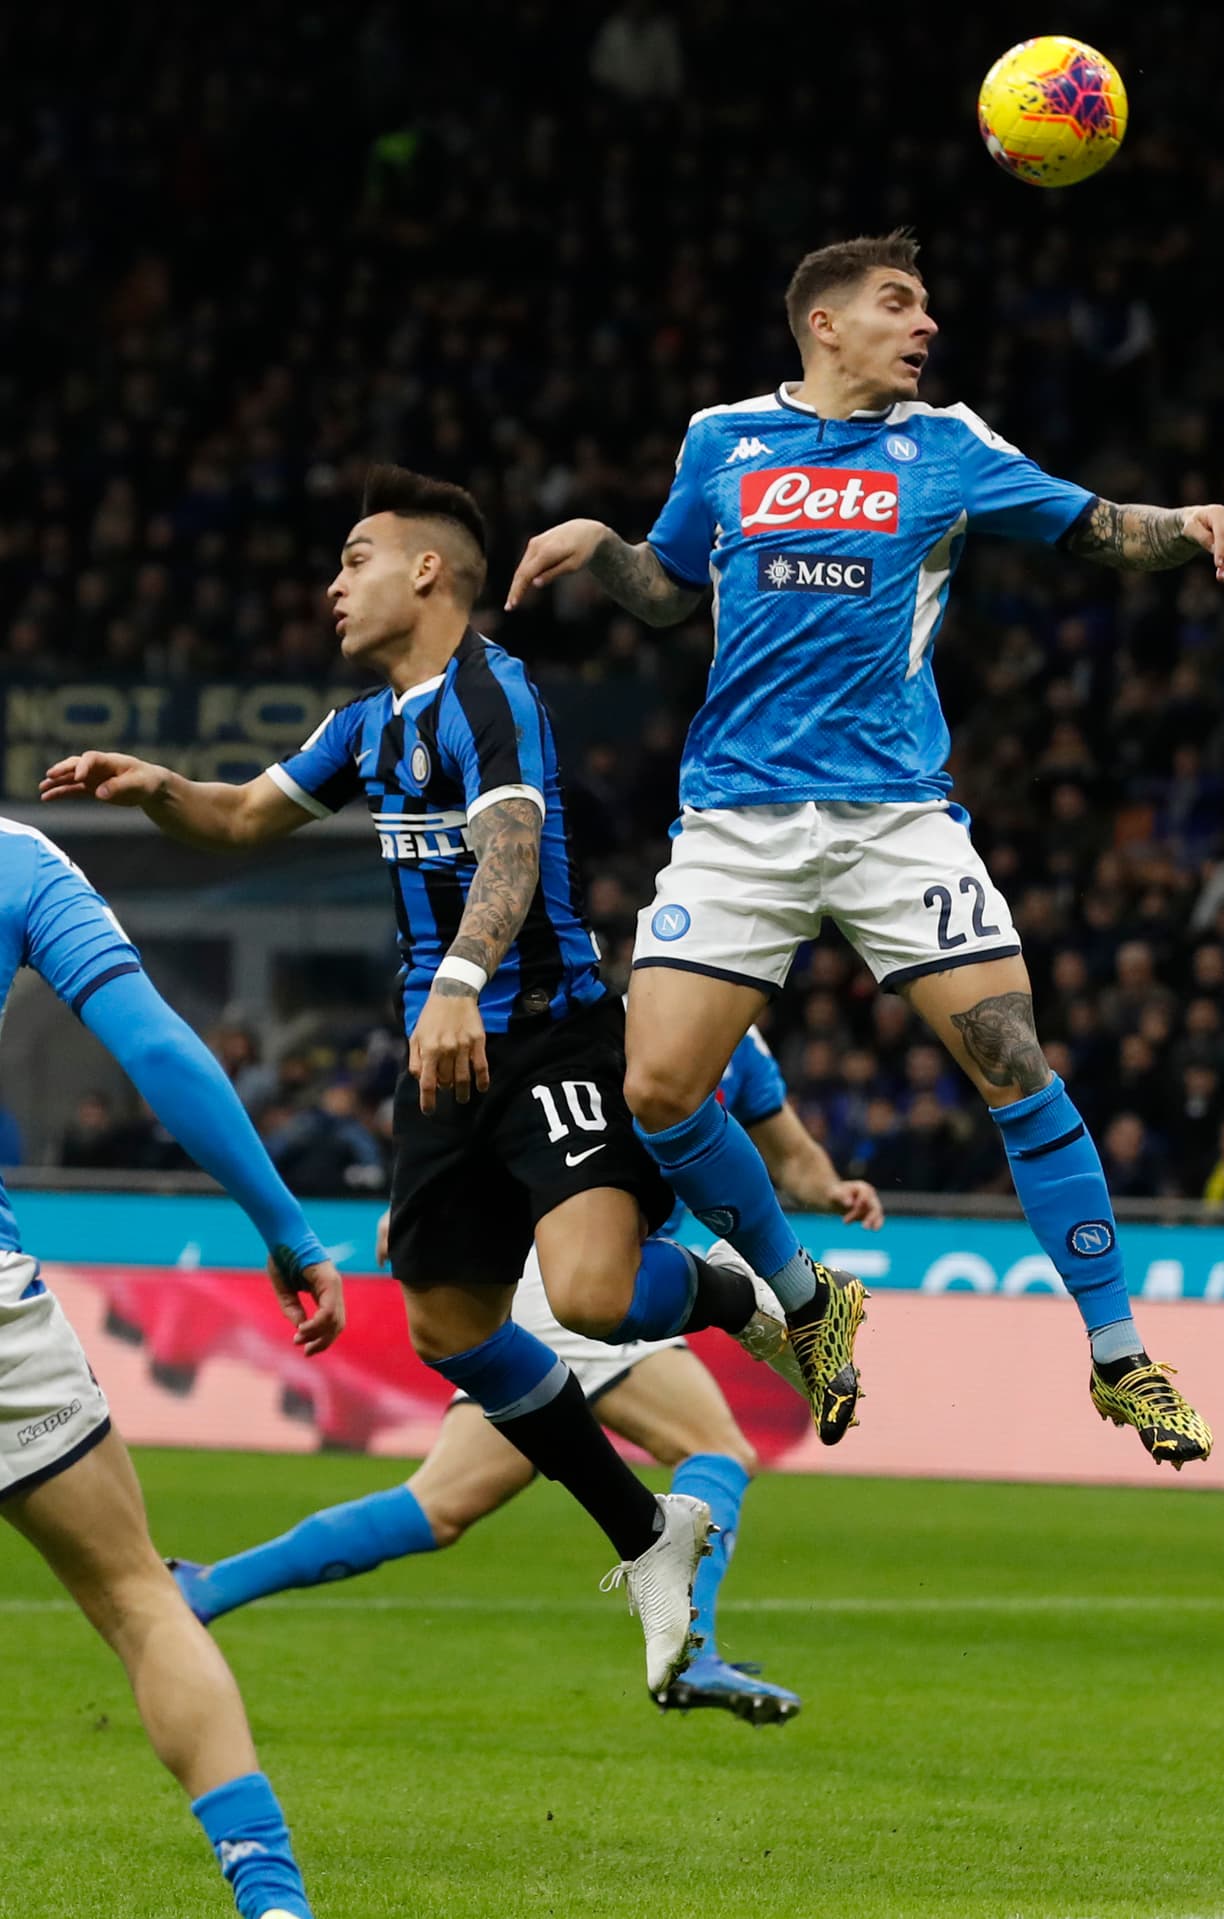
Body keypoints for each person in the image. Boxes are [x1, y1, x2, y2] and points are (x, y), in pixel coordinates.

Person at [42, 465, 808, 1693]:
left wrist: (458, 976)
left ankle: (740, 1297)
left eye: (355, 559)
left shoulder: (490, 693)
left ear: (428, 570)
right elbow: (240, 817)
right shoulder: (364, 725)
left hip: (543, 1034)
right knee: (449, 1327)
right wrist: (161, 788)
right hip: (442, 1068)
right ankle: (645, 1532)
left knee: (593, 1294)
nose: (333, 584)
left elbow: (512, 843)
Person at [506, 228, 1224, 1470]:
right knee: (657, 1090)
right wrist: (597, 543)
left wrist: (1186, 520)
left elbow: (1093, 527)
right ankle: (808, 1298)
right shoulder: (720, 439)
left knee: (1012, 1059)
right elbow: (669, 587)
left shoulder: (946, 445)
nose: (925, 325)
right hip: (738, 818)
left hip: (893, 814)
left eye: (924, 306)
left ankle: (1120, 1354)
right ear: (824, 322)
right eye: (898, 303)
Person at [167, 1027, 884, 1725]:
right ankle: (692, 1649)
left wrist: (836, 1190)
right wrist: (440, 1208)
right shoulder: (626, 1020)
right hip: (576, 1274)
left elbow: (793, 1159)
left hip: (567, 1280)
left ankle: (207, 1587)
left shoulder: (740, 1046)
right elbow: (533, 1107)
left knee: (438, 1506)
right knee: (717, 1448)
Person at [0, 816, 345, 1919]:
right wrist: (287, 1226)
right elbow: (156, 1049)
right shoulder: (21, 861)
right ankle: (273, 1899)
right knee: (140, 1597)